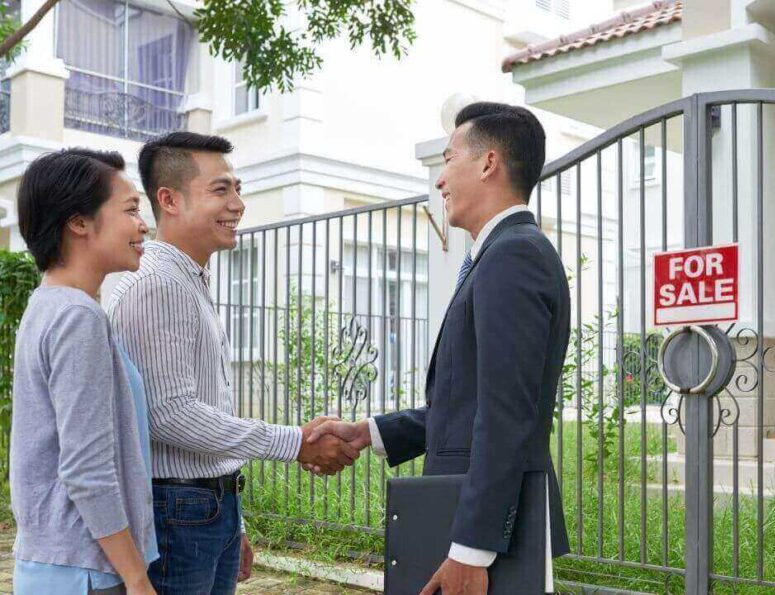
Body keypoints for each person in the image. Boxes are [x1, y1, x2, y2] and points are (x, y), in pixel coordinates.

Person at [306, 102, 571, 595]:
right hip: (480, 529)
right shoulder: (500, 253)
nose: (441, 180)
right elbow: (468, 406)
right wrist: (368, 432)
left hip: (492, 542)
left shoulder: (513, 255)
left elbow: (507, 415)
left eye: (449, 160)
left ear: (488, 163)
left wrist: (471, 550)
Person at [107, 132, 357, 594]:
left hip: (207, 507)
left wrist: (232, 520)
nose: (238, 205)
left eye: (237, 189)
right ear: (169, 200)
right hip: (178, 512)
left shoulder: (188, 279)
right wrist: (294, 441)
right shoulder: (157, 285)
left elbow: (208, 405)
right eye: (221, 190)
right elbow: (169, 414)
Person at [11, 148, 158, 594]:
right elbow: (86, 469)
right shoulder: (77, 316)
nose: (143, 225)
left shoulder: (48, 305)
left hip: (59, 564)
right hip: (87, 569)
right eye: (130, 209)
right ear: (78, 222)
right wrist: (136, 578)